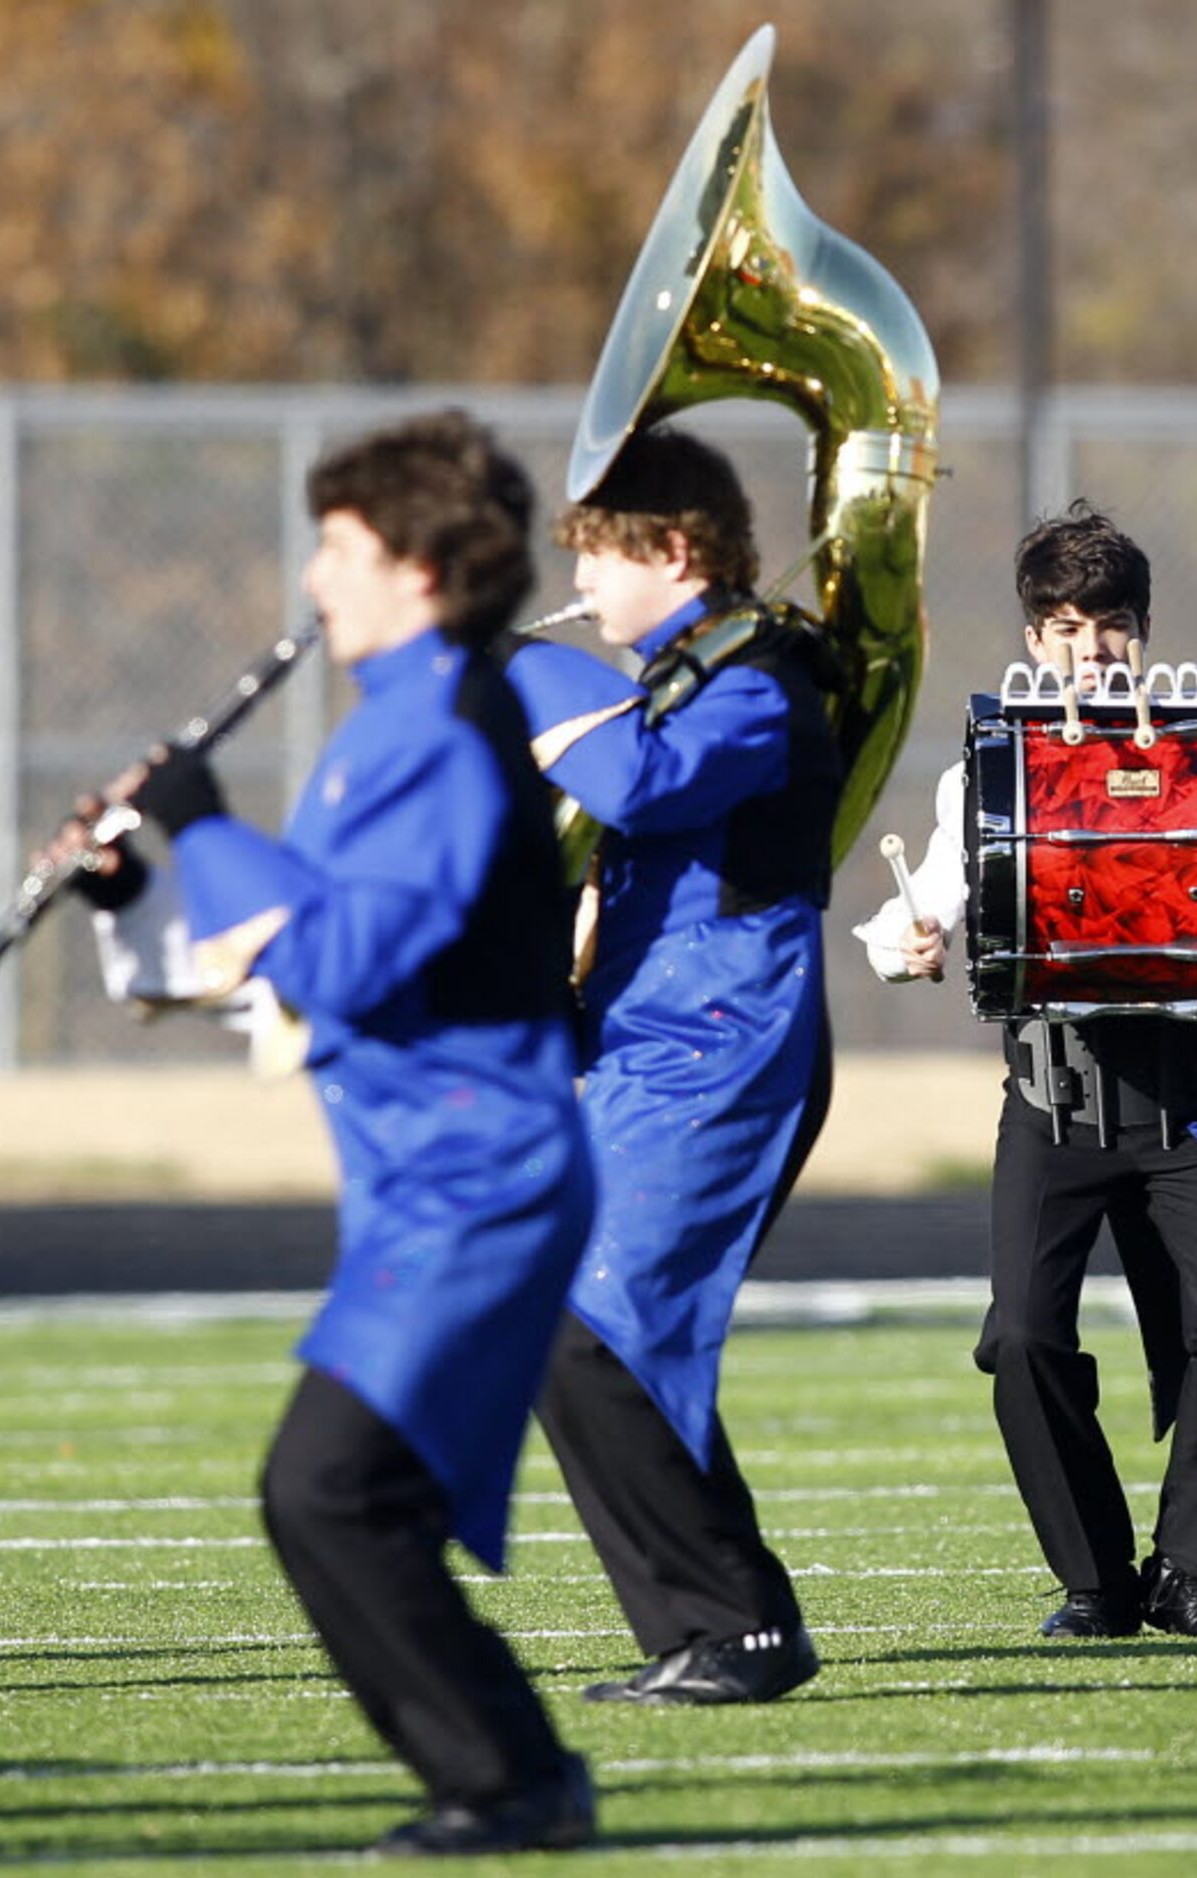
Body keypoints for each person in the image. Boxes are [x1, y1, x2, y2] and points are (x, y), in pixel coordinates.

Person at [70, 409, 599, 1853]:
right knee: (347, 1497)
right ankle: (515, 1774)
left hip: (478, 1181)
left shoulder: (436, 727)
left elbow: (336, 955)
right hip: (432, 1179)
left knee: (327, 1486)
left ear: (420, 565)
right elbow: (287, 957)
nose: (314, 578)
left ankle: (510, 1781)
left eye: (339, 546)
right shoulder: (395, 729)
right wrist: (141, 896)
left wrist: (207, 823)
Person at [854, 501, 1197, 1641]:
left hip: (1192, 1099)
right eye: (1068, 627)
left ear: (1144, 628)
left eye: (1113, 624)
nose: (1092, 649)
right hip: (1052, 1094)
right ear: (1034, 638)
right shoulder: (990, 771)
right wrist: (911, 946)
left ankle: (1190, 1574)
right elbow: (909, 921)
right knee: (1025, 1340)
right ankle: (1092, 1581)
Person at [500, 425, 834, 1706]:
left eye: (598, 557)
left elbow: (641, 787)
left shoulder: (760, 681)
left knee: (609, 1325)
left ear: (675, 550)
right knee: (567, 1324)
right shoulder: (682, 678)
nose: (582, 585)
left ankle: (734, 1628)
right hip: (650, 1042)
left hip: (726, 1048)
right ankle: (719, 1624)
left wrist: (516, 667)